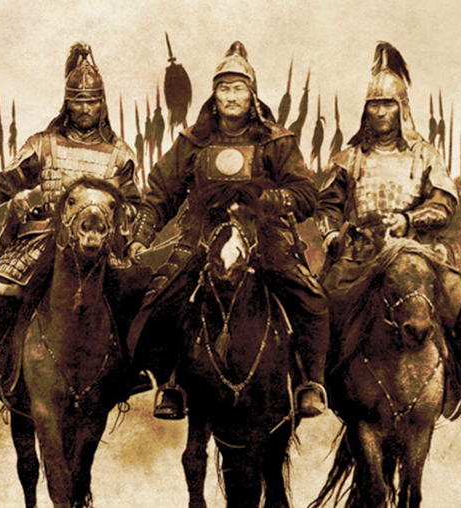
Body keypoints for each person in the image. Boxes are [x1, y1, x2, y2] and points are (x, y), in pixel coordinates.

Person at [127, 41, 329, 420]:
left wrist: (270, 200)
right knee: (164, 295)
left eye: (238, 88)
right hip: (202, 236)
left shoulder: (277, 140)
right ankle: (171, 382)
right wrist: (141, 236)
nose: (231, 96)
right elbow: (160, 192)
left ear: (252, 93)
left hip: (266, 236)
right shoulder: (193, 141)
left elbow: (305, 194)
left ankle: (309, 382)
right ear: (214, 95)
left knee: (309, 297)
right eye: (224, 88)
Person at [316, 42, 461, 411]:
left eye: (388, 104)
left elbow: (444, 204)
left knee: (460, 300)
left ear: (402, 108)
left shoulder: (425, 154)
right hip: (361, 251)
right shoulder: (349, 157)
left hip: (417, 248)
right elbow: (327, 205)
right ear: (365, 110)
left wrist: (408, 220)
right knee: (323, 301)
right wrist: (332, 234)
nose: (381, 111)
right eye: (374, 104)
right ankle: (317, 380)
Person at [0, 42, 142, 390]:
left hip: (99, 242)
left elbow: (133, 202)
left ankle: (128, 365)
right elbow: (11, 177)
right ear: (67, 102)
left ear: (102, 103)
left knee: (131, 292)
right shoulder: (44, 144)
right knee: (0, 285)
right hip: (44, 234)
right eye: (78, 101)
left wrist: (123, 225)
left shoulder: (119, 153)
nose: (85, 108)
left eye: (92, 101)